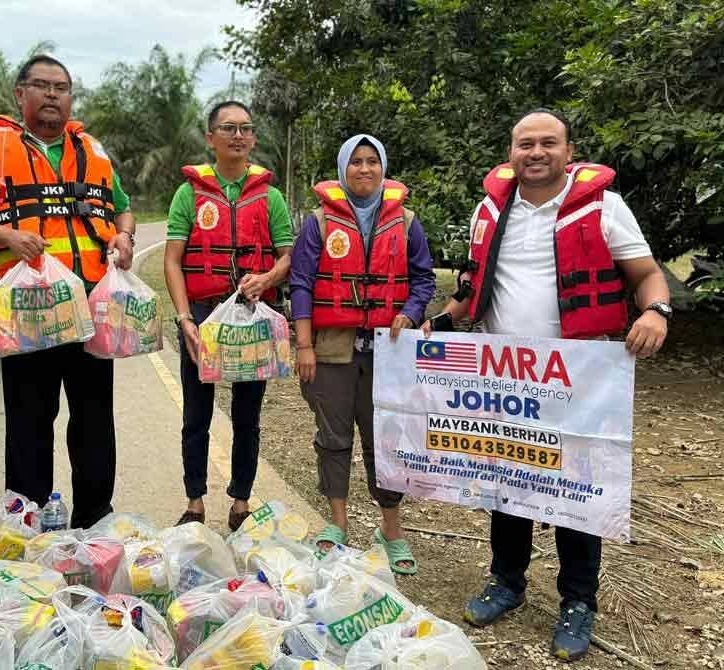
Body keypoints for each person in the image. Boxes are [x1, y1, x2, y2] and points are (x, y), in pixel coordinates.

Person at [422, 109, 670, 661]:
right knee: (507, 479)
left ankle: (578, 600)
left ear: (568, 149)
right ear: (511, 152)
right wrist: (437, 323)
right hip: (505, 375)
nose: (536, 152)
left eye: (548, 143)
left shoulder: (603, 207)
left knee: (574, 491)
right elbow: (473, 284)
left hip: (576, 375)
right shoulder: (489, 209)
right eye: (525, 144)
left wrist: (656, 311)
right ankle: (506, 581)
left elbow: (648, 274)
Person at [0, 55, 135, 529]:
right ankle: (26, 522)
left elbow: (122, 208)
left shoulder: (93, 151)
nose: (53, 95)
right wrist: (8, 236)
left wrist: (125, 237)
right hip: (27, 310)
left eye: (62, 87)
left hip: (91, 308)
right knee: (29, 423)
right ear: (20, 94)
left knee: (95, 420)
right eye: (42, 85)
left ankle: (95, 518)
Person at [289, 134, 435, 573]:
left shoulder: (407, 223)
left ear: (384, 169)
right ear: (342, 170)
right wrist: (304, 345)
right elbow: (301, 283)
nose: (365, 170)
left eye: (373, 162)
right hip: (332, 350)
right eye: (356, 163)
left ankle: (391, 530)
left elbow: (424, 279)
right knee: (333, 438)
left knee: (385, 440)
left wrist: (409, 313)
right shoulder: (318, 223)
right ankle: (338, 524)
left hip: (387, 352)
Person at [163, 100, 293, 531]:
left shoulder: (270, 197)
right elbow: (172, 260)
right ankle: (195, 501)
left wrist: (268, 276)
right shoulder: (189, 193)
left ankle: (240, 501)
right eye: (229, 128)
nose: (239, 136)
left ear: (253, 138)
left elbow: (286, 256)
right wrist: (184, 320)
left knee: (247, 416)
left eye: (246, 129)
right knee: (196, 414)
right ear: (210, 137)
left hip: (252, 315)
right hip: (203, 315)